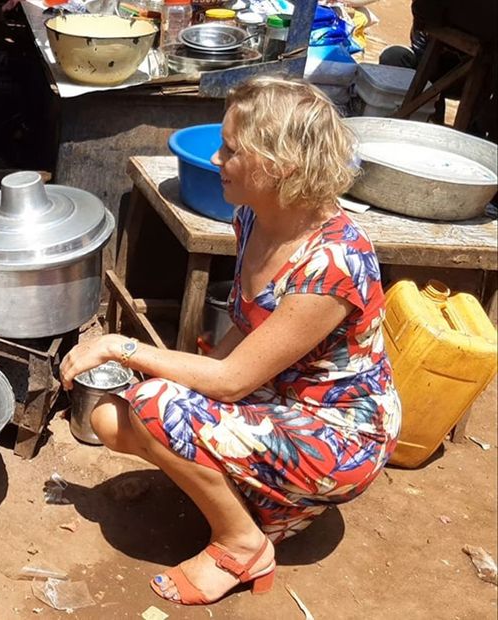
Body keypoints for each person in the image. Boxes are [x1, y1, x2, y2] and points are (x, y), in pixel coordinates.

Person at [59, 78, 400, 606]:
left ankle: (242, 544)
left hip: (339, 435)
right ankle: (272, 502)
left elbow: (233, 379)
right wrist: (195, 388)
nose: (217, 158)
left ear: (280, 165)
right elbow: (247, 328)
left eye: (232, 150)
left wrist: (122, 349)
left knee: (154, 404)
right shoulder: (253, 217)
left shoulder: (332, 264)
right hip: (279, 397)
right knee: (112, 421)